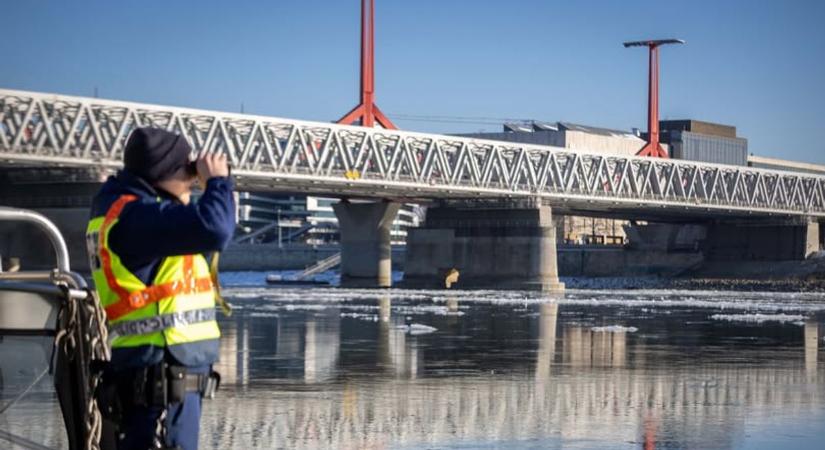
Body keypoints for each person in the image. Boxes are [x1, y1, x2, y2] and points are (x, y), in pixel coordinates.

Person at [86, 127, 235, 450]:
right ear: (161, 174)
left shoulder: (127, 212)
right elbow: (216, 228)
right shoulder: (137, 219)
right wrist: (218, 182)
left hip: (159, 378)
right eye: (187, 170)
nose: (193, 179)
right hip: (158, 388)